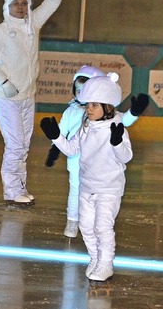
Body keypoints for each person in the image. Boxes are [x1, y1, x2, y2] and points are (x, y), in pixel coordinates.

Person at [40, 72, 133, 282]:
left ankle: (106, 263)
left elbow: (126, 157)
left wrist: (117, 143)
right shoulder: (86, 126)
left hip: (108, 189)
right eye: (88, 104)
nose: (88, 109)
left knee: (102, 227)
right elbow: (73, 149)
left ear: (107, 107)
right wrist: (56, 136)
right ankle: (95, 257)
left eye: (94, 105)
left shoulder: (116, 128)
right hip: (87, 186)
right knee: (85, 226)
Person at [0, 0, 63, 205]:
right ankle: (12, 191)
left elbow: (51, 5)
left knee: (23, 145)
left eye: (24, 3)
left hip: (28, 96)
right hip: (7, 98)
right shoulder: (1, 31)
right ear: (7, 6)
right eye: (15, 3)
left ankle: (20, 187)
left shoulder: (32, 24)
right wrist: (4, 82)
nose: (20, 7)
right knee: (15, 144)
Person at [45, 65, 149, 238]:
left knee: (97, 196)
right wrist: (54, 149)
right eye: (77, 90)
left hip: (101, 165)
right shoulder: (71, 112)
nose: (81, 95)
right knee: (76, 190)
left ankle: (95, 222)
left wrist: (134, 112)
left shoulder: (107, 113)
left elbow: (123, 120)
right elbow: (61, 133)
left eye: (84, 90)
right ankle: (72, 220)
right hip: (76, 160)